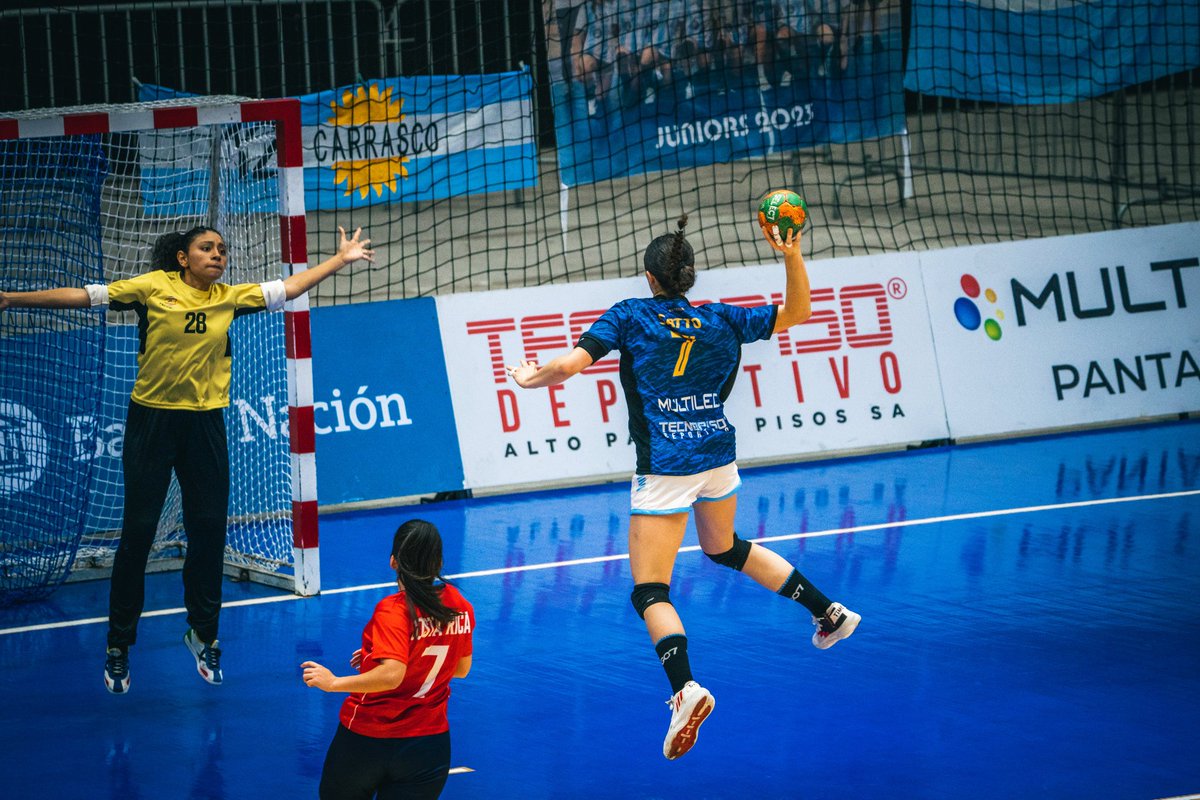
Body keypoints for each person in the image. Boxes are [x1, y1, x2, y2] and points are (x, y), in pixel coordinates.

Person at [507, 213, 860, 760]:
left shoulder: (630, 315)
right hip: (717, 453)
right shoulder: (718, 318)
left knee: (651, 591)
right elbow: (799, 313)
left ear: (649, 279)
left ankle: (685, 689)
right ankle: (828, 612)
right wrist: (790, 252)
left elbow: (572, 364)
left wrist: (532, 377)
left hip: (667, 466)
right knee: (727, 548)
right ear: (690, 275)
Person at [0, 223, 375, 694]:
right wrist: (12, 298)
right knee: (137, 536)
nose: (218, 255)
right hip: (152, 424)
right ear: (183, 257)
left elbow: (292, 286)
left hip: (204, 427)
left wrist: (340, 259)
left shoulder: (231, 297)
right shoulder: (152, 287)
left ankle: (203, 634)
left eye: (222, 249)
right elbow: (82, 296)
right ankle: (118, 646)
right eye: (207, 248)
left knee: (208, 532)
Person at [302, 519, 474, 800]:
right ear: (439, 562)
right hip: (430, 744)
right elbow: (460, 668)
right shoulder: (459, 605)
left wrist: (333, 683)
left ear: (394, 561)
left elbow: (392, 675)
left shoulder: (392, 610)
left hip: (369, 739)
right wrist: (377, 658)